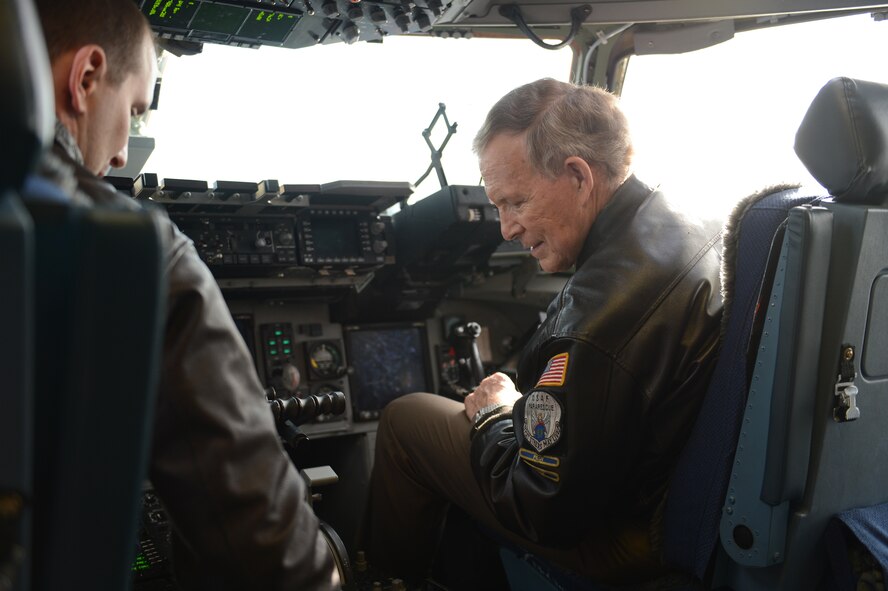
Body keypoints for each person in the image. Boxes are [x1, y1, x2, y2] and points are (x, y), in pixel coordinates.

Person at [365, 78, 724, 586]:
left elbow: (541, 507)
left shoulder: (593, 324)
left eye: (515, 202)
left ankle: (382, 581)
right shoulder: (691, 219)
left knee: (406, 420)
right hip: (671, 498)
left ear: (578, 177)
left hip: (625, 539)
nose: (505, 229)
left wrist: (494, 418)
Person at [32, 0, 339, 588]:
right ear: (87, 77)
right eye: (135, 109)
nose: (123, 152)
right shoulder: (133, 251)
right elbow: (275, 557)